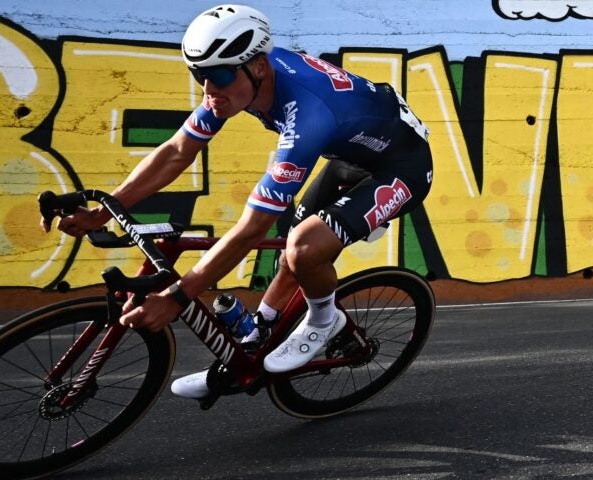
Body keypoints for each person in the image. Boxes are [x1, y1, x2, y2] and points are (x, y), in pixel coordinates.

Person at [42, 4, 433, 399]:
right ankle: (259, 334)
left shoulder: (307, 115)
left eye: (218, 76)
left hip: (402, 167)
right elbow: (178, 151)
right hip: (352, 156)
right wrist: (99, 212)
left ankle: (324, 318)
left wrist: (177, 298)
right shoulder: (240, 81)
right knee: (292, 252)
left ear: (258, 67)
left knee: (305, 247)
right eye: (199, 76)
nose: (209, 90)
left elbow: (251, 229)